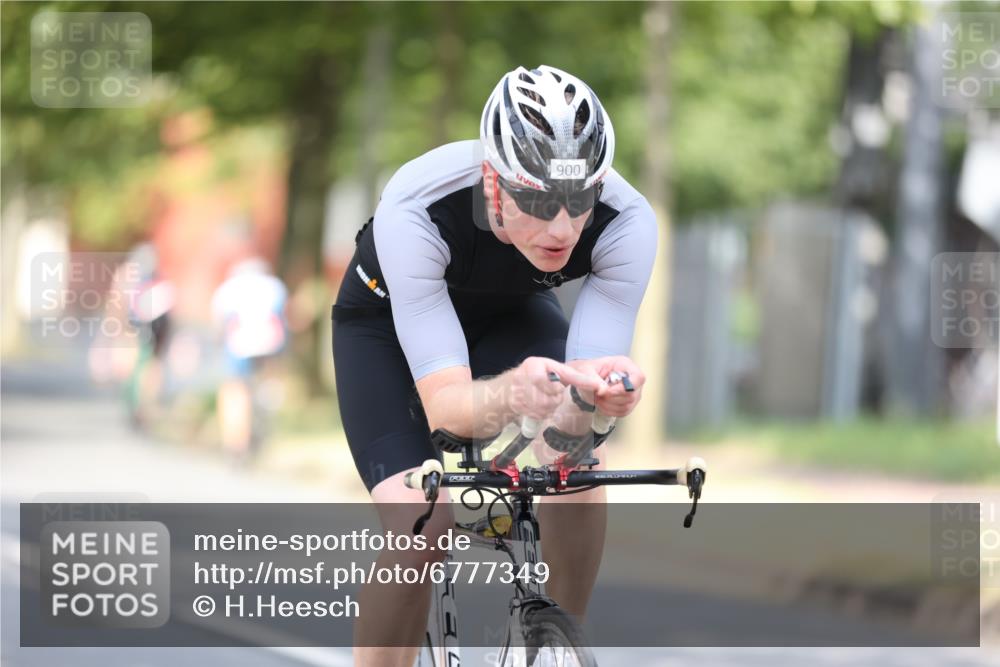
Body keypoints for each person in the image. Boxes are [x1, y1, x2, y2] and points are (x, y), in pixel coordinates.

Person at [332, 65, 656, 665]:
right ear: (492, 182)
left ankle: (554, 643)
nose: (562, 227)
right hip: (384, 328)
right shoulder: (418, 206)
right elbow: (450, 412)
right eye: (536, 198)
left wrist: (601, 396)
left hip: (513, 312)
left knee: (580, 463)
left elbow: (579, 401)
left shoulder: (627, 223)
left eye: (579, 198)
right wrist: (511, 393)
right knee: (421, 527)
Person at [211, 256, 289, 461]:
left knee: (234, 389)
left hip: (240, 344)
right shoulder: (275, 286)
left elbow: (220, 324)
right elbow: (282, 318)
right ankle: (266, 408)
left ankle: (236, 441)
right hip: (271, 343)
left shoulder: (230, 288)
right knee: (266, 382)